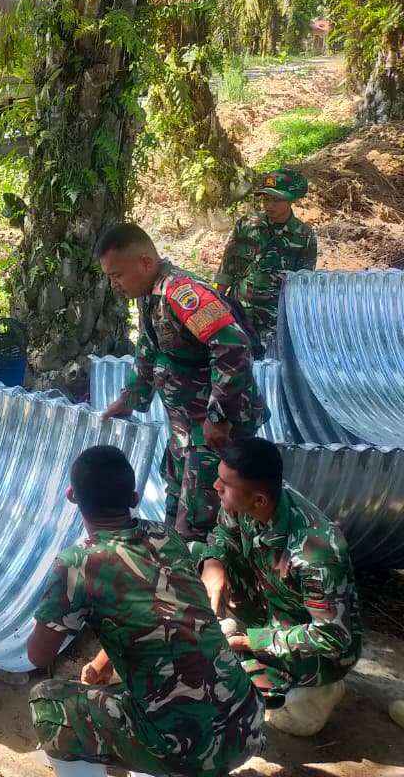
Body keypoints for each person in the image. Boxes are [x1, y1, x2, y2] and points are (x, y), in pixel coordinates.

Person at [26, 445, 264, 777]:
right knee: (147, 684)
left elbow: (38, 656)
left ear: (71, 496)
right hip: (247, 724)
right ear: (135, 498)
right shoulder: (167, 536)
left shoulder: (77, 563)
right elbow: (158, 615)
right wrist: (100, 665)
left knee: (46, 701)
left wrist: (52, 612)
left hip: (190, 753)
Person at [97, 223, 263, 545]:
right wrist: (130, 399)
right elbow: (149, 350)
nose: (113, 284)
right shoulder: (149, 296)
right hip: (185, 427)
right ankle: (177, 569)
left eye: (117, 275)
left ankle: (202, 575)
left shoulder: (183, 294)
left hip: (213, 429)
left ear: (145, 262)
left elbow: (233, 346)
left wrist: (218, 416)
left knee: (201, 524)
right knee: (176, 508)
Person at [201, 437, 362, 736]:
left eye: (224, 483)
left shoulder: (317, 551)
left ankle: (318, 692)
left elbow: (332, 637)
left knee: (232, 683)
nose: (215, 486)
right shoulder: (245, 499)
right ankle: (254, 656)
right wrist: (214, 564)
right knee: (193, 554)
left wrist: (251, 641)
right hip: (270, 602)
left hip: (316, 641)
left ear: (259, 501)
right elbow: (221, 534)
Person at [215, 167, 318, 348]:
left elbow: (302, 286)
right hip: (237, 312)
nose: (269, 205)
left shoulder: (304, 237)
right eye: (266, 199)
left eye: (276, 200)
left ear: (290, 200)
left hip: (273, 322)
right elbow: (226, 268)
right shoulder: (246, 225)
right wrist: (216, 307)